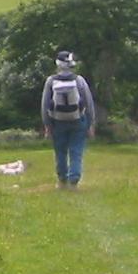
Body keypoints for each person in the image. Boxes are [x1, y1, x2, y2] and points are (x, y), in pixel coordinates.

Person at [41, 49, 95, 188]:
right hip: (77, 120)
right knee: (76, 151)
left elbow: (45, 104)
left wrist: (47, 125)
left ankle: (62, 180)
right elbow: (89, 103)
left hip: (58, 122)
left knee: (60, 151)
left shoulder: (50, 81)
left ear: (58, 64)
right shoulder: (79, 80)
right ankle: (74, 181)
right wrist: (90, 124)